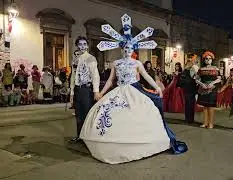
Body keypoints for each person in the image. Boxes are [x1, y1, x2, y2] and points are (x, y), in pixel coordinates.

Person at [80, 14, 187, 164]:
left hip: (134, 91)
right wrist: (101, 93)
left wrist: (157, 87)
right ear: (122, 48)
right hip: (119, 90)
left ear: (133, 49)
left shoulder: (137, 64)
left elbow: (146, 77)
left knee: (144, 110)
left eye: (130, 48)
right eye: (125, 47)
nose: (128, 50)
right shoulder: (116, 63)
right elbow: (111, 80)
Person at [70, 36, 100, 142]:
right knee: (78, 113)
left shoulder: (90, 58)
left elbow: (95, 75)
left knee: (87, 113)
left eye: (84, 44)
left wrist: (96, 91)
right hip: (78, 89)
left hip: (86, 90)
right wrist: (72, 92)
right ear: (77, 46)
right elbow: (73, 76)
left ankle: (88, 136)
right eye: (80, 44)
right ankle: (79, 135)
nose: (82, 46)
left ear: (87, 46)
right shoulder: (75, 59)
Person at [196, 51, 221, 129]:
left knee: (211, 106)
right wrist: (201, 84)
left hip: (212, 89)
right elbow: (196, 79)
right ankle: (205, 122)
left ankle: (211, 123)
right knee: (204, 106)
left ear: (212, 60)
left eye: (209, 58)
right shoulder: (201, 69)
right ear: (204, 60)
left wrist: (212, 83)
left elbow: (219, 79)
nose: (208, 60)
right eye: (206, 58)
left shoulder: (216, 68)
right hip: (203, 89)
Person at [179, 54, 199, 123]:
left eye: (191, 60)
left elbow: (197, 78)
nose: (190, 61)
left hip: (192, 88)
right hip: (186, 88)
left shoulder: (194, 68)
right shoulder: (185, 69)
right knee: (187, 103)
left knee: (191, 103)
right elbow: (182, 78)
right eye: (189, 60)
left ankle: (190, 119)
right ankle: (187, 118)